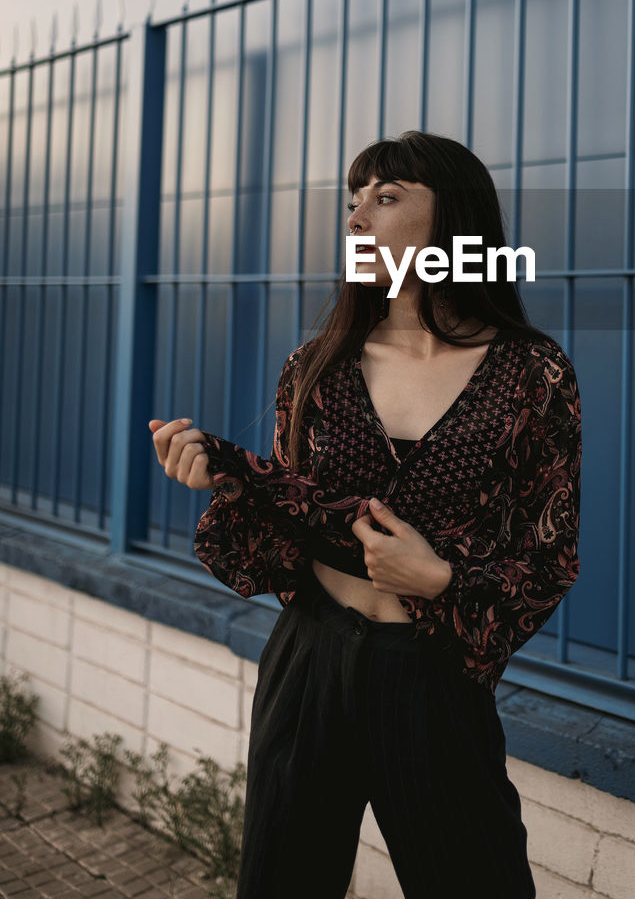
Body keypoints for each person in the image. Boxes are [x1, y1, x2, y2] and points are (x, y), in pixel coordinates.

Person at [148, 130, 582, 899]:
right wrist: (225, 482)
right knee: (283, 878)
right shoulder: (317, 364)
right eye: (353, 201)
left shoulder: (531, 372)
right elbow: (292, 518)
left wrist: (441, 579)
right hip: (311, 656)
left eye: (385, 198)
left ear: (455, 223)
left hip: (431, 676)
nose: (357, 218)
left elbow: (548, 555)